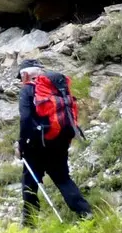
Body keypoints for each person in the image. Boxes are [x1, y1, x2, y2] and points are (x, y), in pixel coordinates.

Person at [17, 59, 92, 223]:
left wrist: (21, 144)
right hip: (60, 140)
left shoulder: (27, 90)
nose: (20, 80)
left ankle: (30, 223)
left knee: (29, 183)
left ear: (25, 75)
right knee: (63, 178)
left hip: (36, 145)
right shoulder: (56, 89)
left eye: (20, 76)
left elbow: (25, 119)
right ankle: (86, 213)